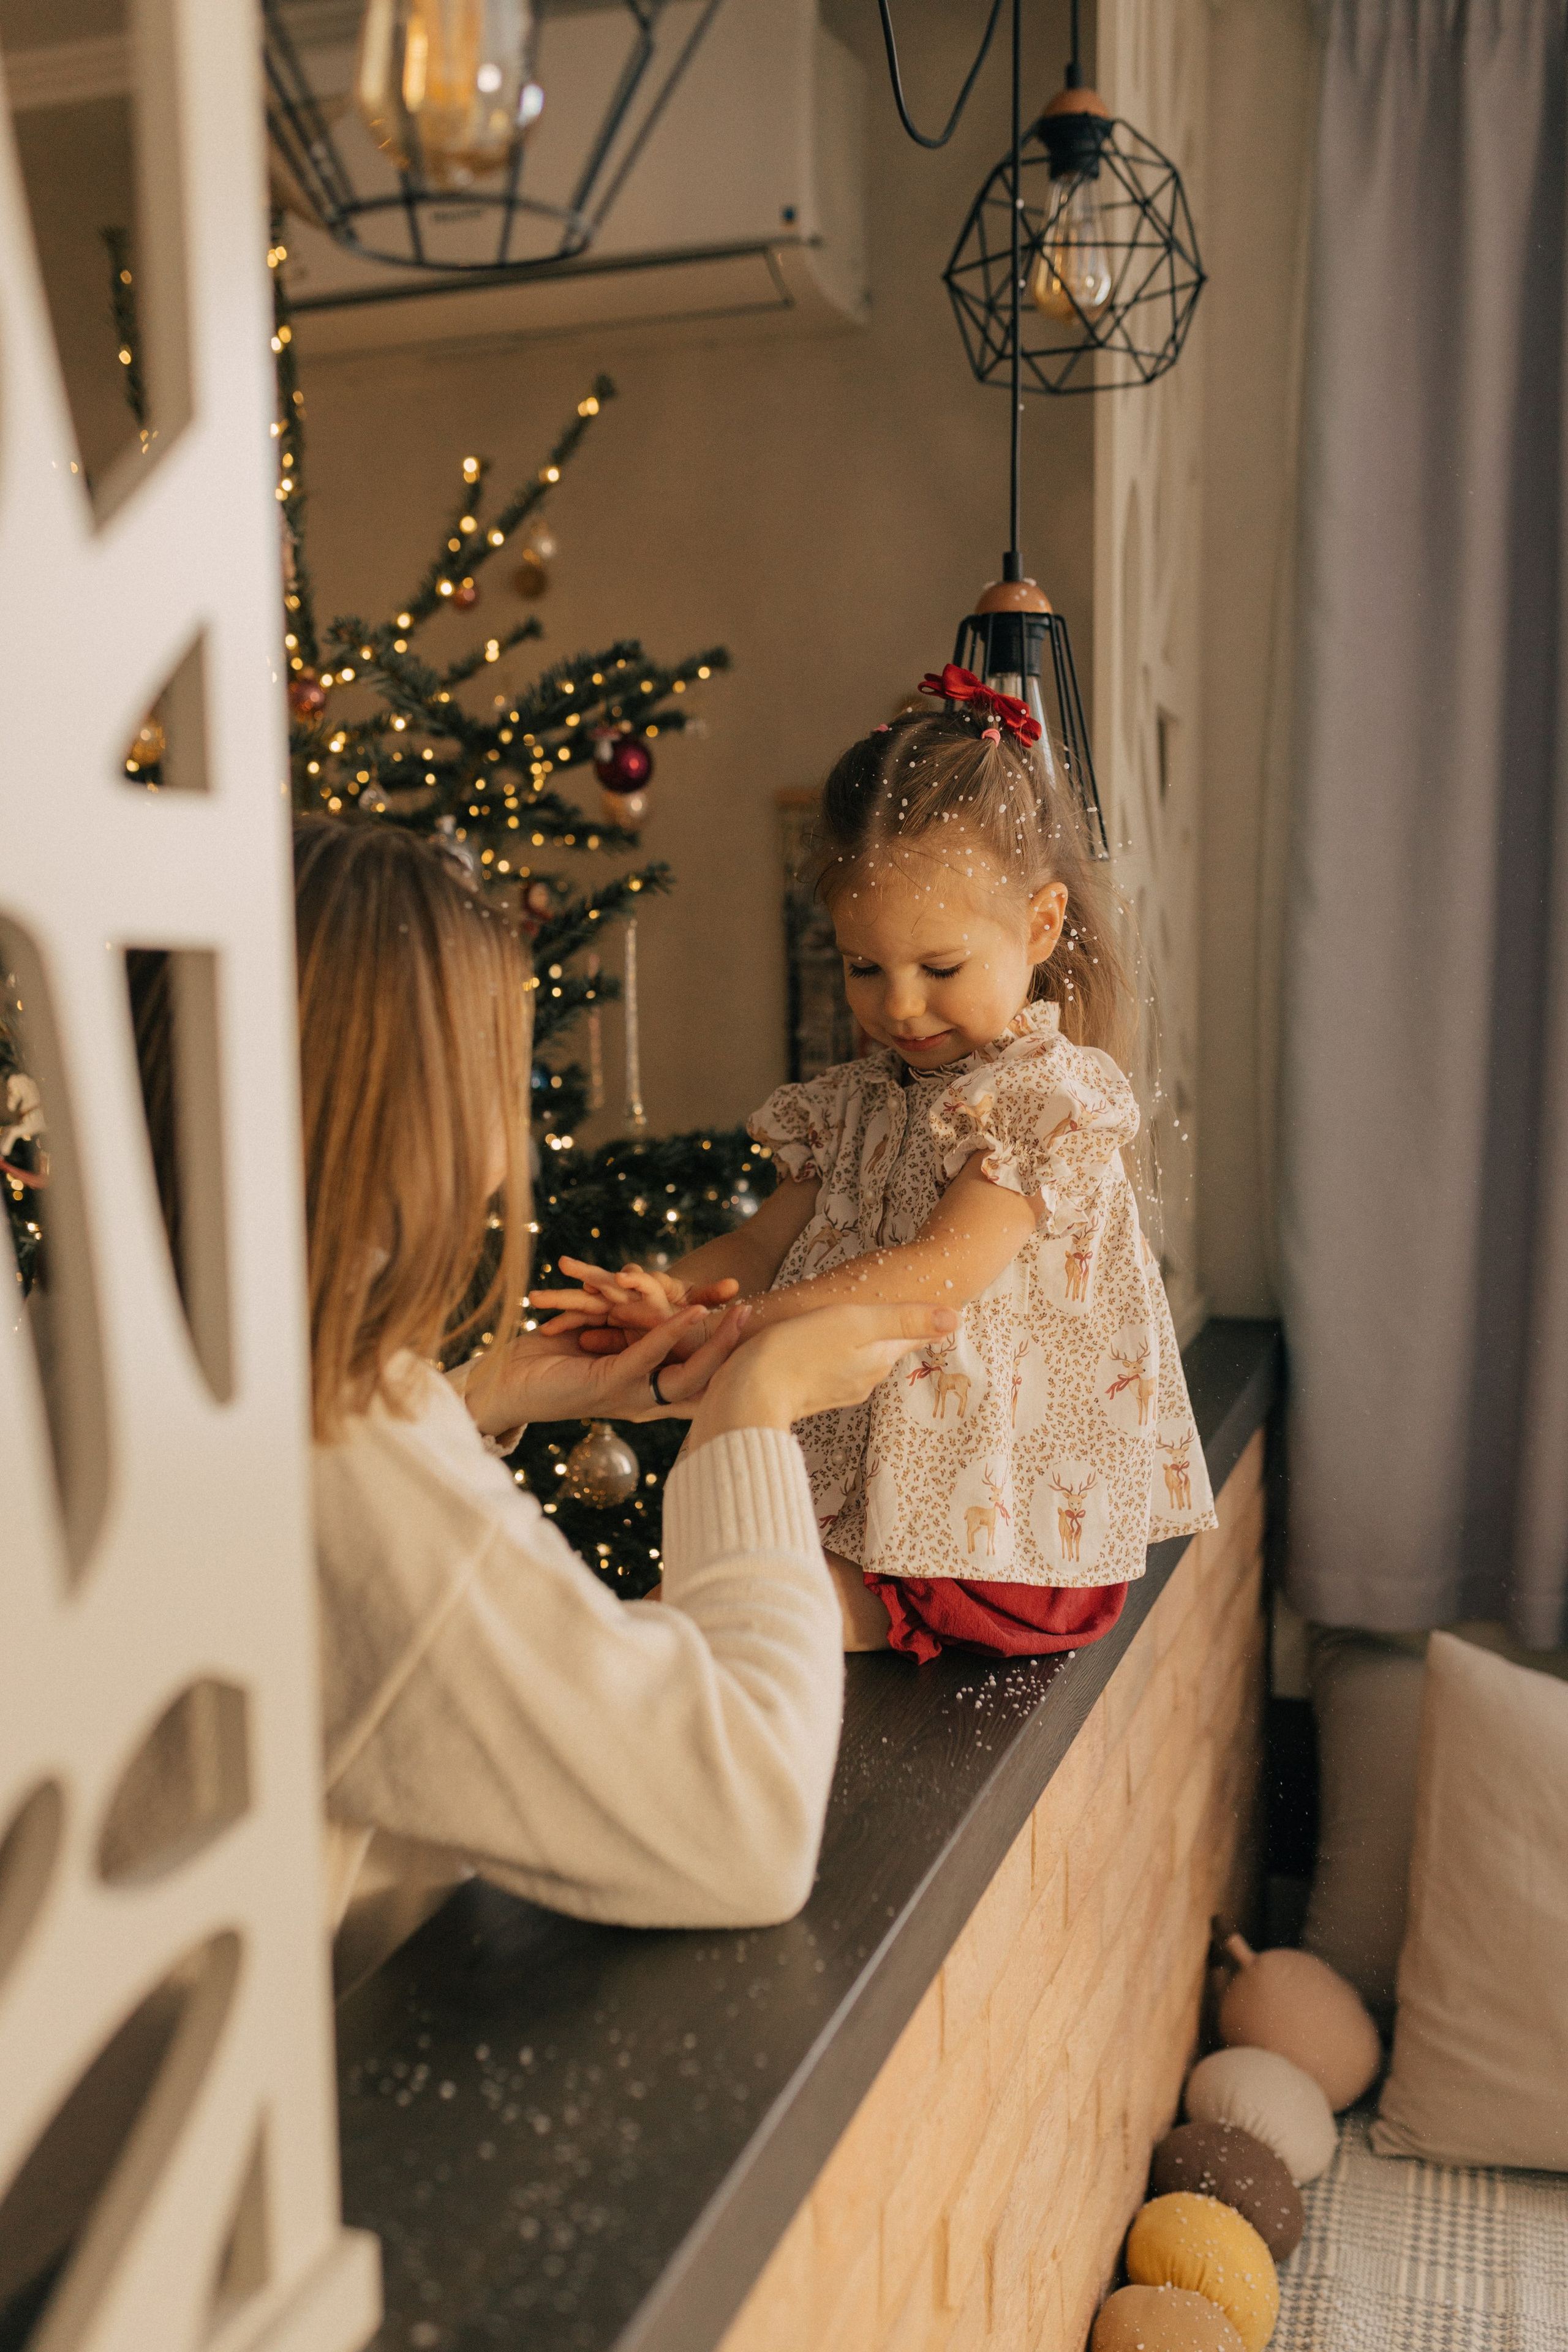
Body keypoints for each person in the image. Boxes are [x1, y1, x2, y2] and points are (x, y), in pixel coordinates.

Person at [286, 819, 959, 1936]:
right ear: (400, 1101)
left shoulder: (97, 1344)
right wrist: (755, 1406)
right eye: (490, 1079)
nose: (508, 1156)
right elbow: (745, 1827)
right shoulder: (341, 1455)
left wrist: (476, 1398)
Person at [530, 679, 1217, 1663]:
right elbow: (766, 1241)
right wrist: (676, 1293)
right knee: (679, 1606)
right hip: (872, 1508)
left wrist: (746, 1331)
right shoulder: (856, 1100)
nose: (899, 1006)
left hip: (995, 1533)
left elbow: (940, 1274)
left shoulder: (1040, 1100)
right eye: (863, 967)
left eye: (938, 969)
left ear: (1037, 925)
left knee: (702, 1624)